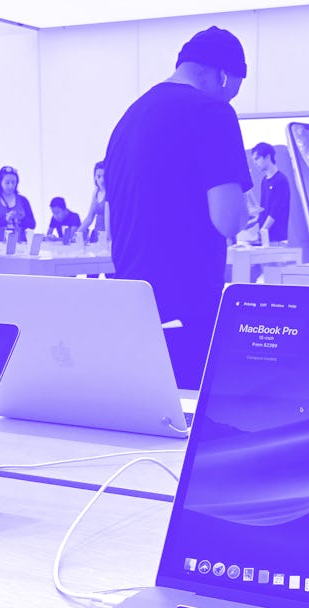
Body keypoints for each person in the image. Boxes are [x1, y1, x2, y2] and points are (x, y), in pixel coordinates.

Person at [104, 26, 252, 389]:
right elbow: (229, 220)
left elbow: (111, 223)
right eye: (232, 91)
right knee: (189, 426)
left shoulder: (128, 118)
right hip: (190, 306)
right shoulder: (213, 112)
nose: (230, 99)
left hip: (135, 305)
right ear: (222, 75)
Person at [0, 166, 36, 243]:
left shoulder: (23, 200)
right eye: (7, 182)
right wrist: (4, 220)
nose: (11, 186)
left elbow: (32, 224)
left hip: (20, 244)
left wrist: (21, 218)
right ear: (0, 182)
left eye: (13, 182)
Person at [251, 142, 290, 243]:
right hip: (265, 238)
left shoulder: (281, 180)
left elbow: (275, 211)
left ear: (267, 157)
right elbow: (263, 210)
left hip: (277, 239)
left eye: (257, 159)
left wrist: (262, 231)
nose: (255, 163)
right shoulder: (264, 181)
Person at [77, 161, 108, 241]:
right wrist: (77, 234)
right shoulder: (96, 192)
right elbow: (89, 218)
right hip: (97, 235)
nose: (101, 180)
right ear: (94, 177)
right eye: (98, 176)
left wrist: (109, 239)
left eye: (104, 176)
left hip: (108, 235)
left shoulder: (111, 193)